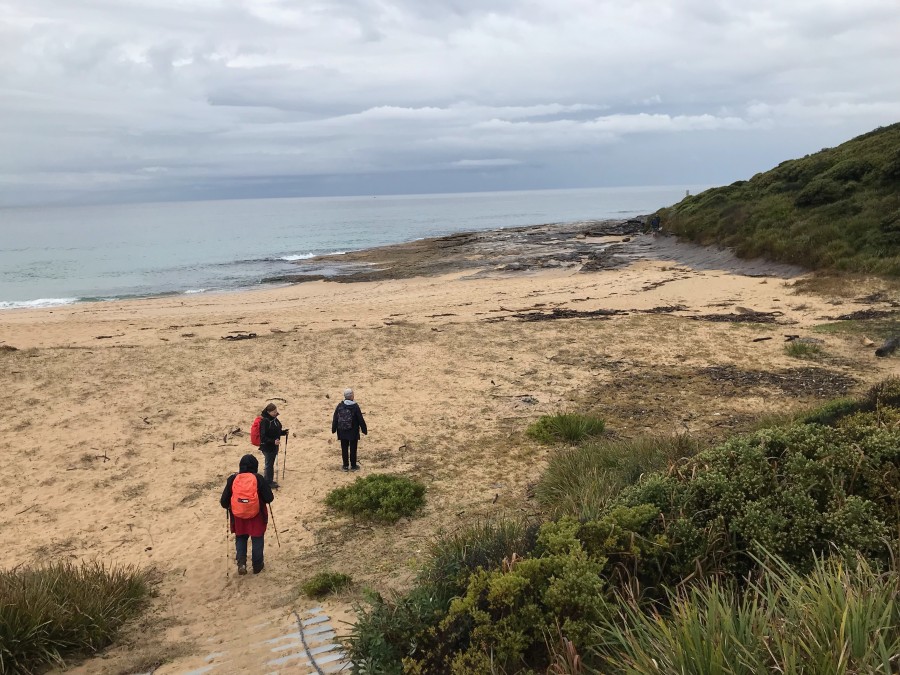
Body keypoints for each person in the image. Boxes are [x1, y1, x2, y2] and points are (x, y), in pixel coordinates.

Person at [220, 454, 274, 575]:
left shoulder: (232, 479)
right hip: (257, 516)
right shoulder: (258, 478)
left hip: (238, 516)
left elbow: (223, 502)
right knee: (257, 538)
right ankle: (257, 566)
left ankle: (242, 563)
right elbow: (269, 498)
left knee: (240, 537)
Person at [332, 387, 367, 472]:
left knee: (344, 448)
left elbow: (335, 418)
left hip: (342, 431)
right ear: (351, 396)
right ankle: (353, 466)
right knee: (353, 448)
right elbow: (360, 419)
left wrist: (333, 429)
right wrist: (364, 430)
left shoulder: (340, 405)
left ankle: (345, 466)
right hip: (353, 432)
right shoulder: (355, 406)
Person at [258, 402, 288, 488]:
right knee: (269, 464)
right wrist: (273, 441)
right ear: (268, 412)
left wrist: (283, 432)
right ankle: (268, 482)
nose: (276, 413)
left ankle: (268, 480)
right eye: (274, 412)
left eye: (276, 411)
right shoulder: (265, 421)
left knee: (270, 463)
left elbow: (276, 431)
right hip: (267, 447)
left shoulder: (274, 419)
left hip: (274, 446)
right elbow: (263, 437)